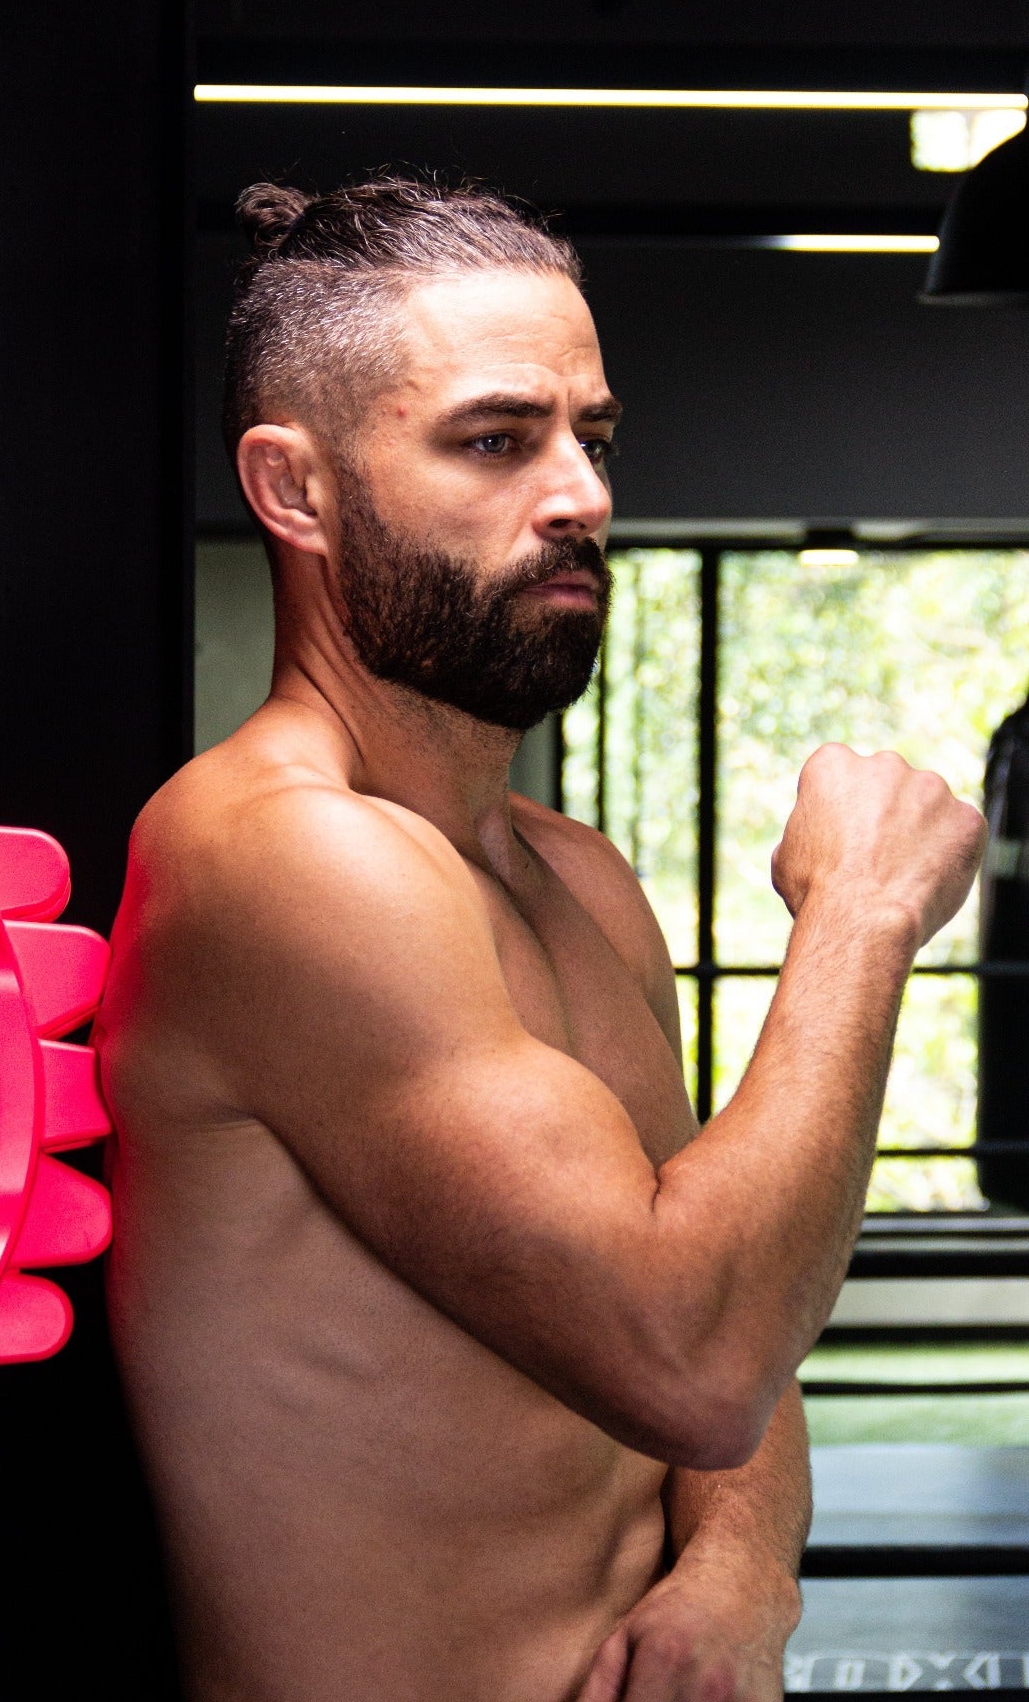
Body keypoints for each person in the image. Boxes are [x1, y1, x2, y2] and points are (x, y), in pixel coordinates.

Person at [95, 176, 985, 1702]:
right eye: (498, 441)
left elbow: (742, 1294)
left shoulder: (575, 878)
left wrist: (743, 1572)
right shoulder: (278, 856)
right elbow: (694, 1358)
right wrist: (863, 915)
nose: (580, 494)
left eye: (595, 438)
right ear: (295, 490)